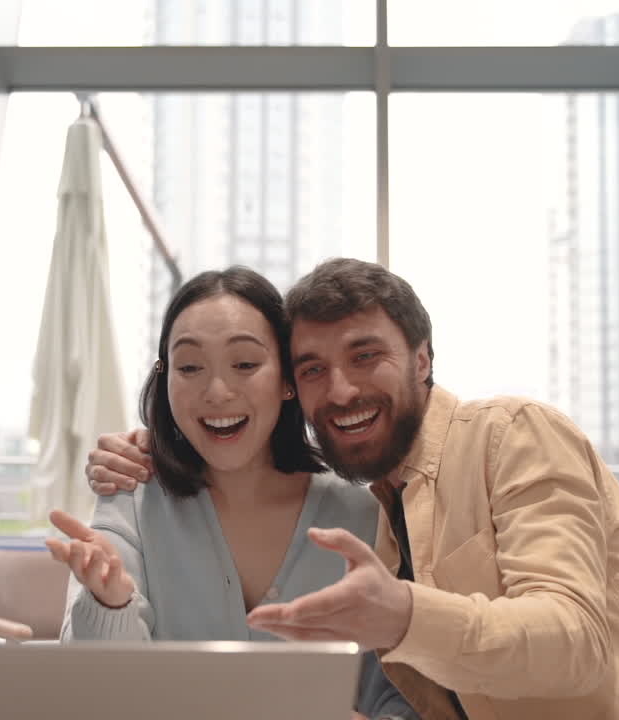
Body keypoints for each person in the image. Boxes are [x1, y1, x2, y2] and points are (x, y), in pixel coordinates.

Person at [87, 258, 619, 720]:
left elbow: (574, 642)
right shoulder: (376, 507)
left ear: (422, 359)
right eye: (314, 367)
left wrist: (402, 615)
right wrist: (159, 448)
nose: (340, 389)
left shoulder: (512, 436)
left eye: (366, 355)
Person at [46, 266, 416, 720]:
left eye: (244, 364)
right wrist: (110, 604)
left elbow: (407, 691)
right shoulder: (129, 501)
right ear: (166, 381)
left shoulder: (365, 517)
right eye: (189, 367)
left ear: (287, 380)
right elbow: (93, 693)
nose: (217, 392)